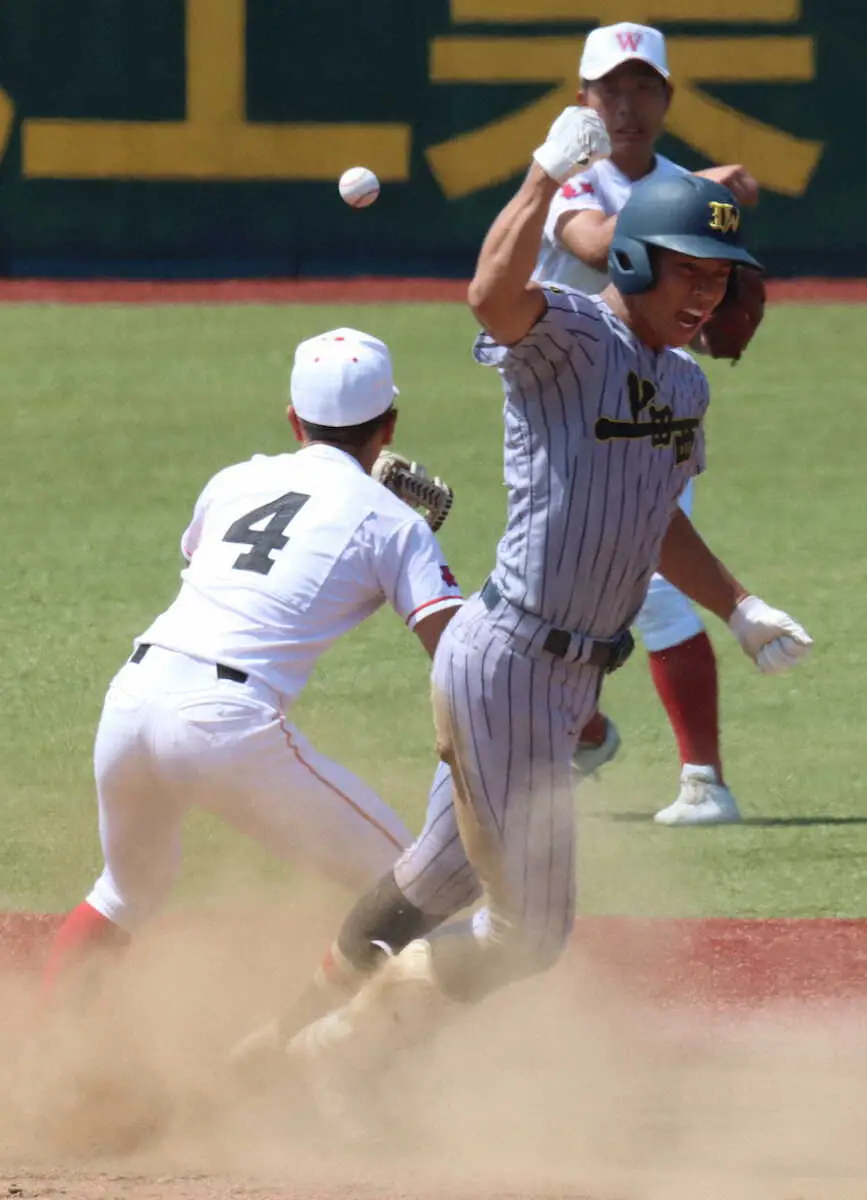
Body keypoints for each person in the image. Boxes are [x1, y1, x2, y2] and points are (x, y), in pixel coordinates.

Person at [233, 111, 812, 1110]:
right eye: (690, 273)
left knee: (432, 883)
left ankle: (276, 1038)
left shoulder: (682, 386)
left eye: (720, 279)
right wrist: (545, 173)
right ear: (632, 260)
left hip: (556, 676)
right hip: (507, 663)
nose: (707, 295)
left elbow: (656, 516)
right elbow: (489, 293)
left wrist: (741, 604)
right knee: (531, 934)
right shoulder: (570, 337)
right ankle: (331, 1061)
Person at [42, 328, 464, 995]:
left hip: (131, 699)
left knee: (124, 894)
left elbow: (240, 568)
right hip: (222, 725)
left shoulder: (234, 480)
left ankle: (50, 1061)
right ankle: (327, 1065)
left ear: (294, 419)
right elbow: (458, 652)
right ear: (389, 424)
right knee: (414, 890)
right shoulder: (392, 523)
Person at [537, 22, 760, 825]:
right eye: (607, 91)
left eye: (640, 88)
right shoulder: (568, 184)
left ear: (666, 99)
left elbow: (708, 296)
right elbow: (603, 249)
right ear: (582, 100)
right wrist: (703, 192)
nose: (622, 107)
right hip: (554, 419)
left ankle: (704, 782)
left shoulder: (680, 184)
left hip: (649, 407)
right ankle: (580, 734)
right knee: (555, 594)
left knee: (656, 590)